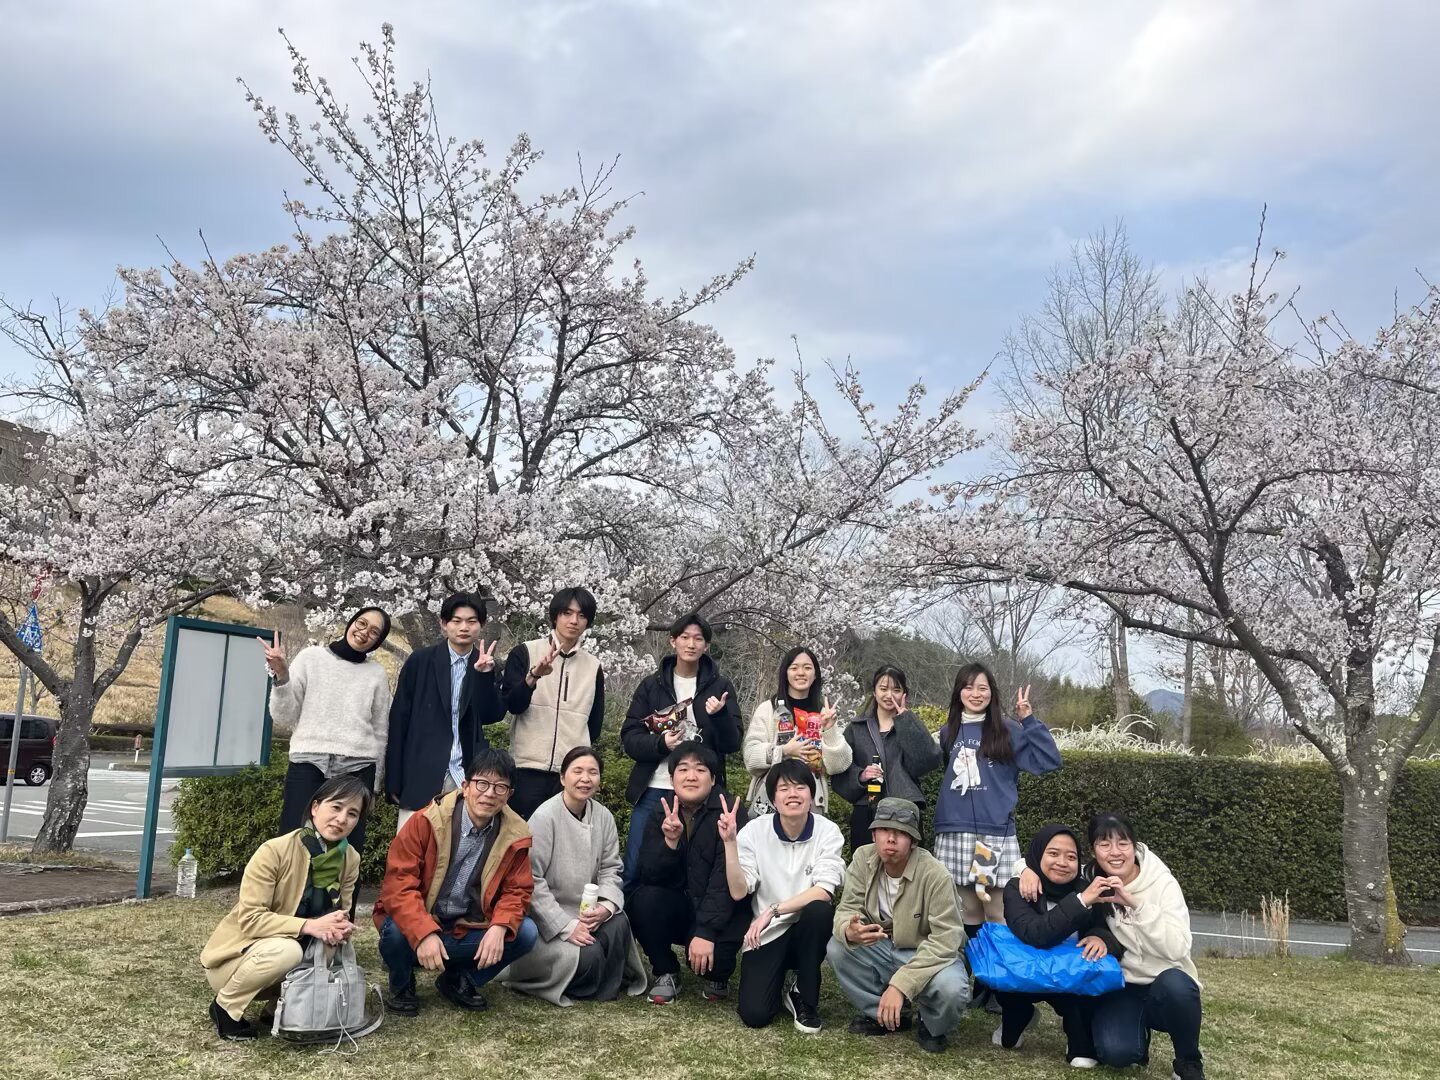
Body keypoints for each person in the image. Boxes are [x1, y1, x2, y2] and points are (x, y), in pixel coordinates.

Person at [200, 774, 370, 1040]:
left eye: (352, 813)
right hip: (238, 961)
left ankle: (279, 1008)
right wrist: (309, 925)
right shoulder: (274, 851)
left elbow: (342, 911)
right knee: (288, 950)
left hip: (287, 958)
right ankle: (225, 1007)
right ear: (315, 807)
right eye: (336, 807)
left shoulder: (350, 858)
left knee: (328, 942)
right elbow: (251, 919)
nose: (341, 819)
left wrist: (341, 926)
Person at [373, 747, 538, 1014]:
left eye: (500, 787)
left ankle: (460, 980)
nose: (489, 793)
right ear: (465, 786)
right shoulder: (425, 821)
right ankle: (402, 984)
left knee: (526, 933)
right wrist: (424, 932)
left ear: (509, 795)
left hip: (468, 924)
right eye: (482, 783)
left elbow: (517, 890)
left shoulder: (515, 834)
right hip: (424, 918)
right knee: (395, 932)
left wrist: (500, 926)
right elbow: (399, 885)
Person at [932, 662, 1060, 985]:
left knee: (996, 911)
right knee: (967, 910)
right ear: (958, 692)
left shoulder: (1007, 729)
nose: (975, 694)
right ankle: (974, 978)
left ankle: (997, 984)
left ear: (992, 693)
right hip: (954, 830)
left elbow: (1049, 761)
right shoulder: (948, 731)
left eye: (983, 688)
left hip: (994, 834)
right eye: (968, 687)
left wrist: (1028, 719)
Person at [501, 748, 646, 1005]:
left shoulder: (603, 816)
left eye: (593, 772)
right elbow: (531, 879)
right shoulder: (545, 817)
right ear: (562, 777)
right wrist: (565, 927)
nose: (585, 779)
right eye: (577, 771)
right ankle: (594, 973)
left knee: (619, 923)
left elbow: (611, 868)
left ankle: (599, 976)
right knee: (589, 957)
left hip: (589, 912)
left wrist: (605, 907)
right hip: (551, 917)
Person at [826, 798, 969, 1053]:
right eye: (884, 830)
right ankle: (886, 1015)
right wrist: (850, 928)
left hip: (925, 950)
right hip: (882, 944)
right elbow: (847, 908)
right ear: (874, 835)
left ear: (913, 842)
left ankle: (932, 1024)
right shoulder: (863, 858)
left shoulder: (935, 874)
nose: (891, 839)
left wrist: (900, 984)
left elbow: (947, 939)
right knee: (838, 948)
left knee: (952, 987)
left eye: (901, 833)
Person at [620, 611, 742, 889]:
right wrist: (661, 744)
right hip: (655, 787)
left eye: (698, 639)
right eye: (685, 637)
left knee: (697, 871)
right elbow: (630, 738)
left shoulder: (720, 687)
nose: (691, 644)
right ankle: (627, 916)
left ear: (706, 646)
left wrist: (720, 716)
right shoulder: (652, 685)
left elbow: (733, 743)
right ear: (672, 641)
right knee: (636, 866)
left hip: (701, 793)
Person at [723, 758, 845, 1032]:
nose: (793, 794)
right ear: (773, 799)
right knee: (755, 1014)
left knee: (819, 911)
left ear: (811, 795)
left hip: (804, 928)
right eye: (784, 788)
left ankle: (803, 993)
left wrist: (773, 909)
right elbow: (739, 891)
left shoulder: (827, 831)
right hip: (768, 933)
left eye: (800, 787)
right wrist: (730, 843)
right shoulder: (755, 830)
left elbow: (824, 890)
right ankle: (777, 980)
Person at [1082, 813, 1206, 1080]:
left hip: (1166, 982)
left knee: (1177, 986)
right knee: (1116, 1054)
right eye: (1104, 844)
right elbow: (1051, 867)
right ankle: (1136, 1038)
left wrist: (1135, 904)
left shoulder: (1162, 883)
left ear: (1135, 846)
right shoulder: (1092, 880)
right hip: (1124, 985)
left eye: (1123, 843)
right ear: (1093, 850)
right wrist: (1026, 871)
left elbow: (1178, 948)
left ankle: (1188, 1060)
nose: (1115, 852)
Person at [627, 741, 750, 1005]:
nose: (691, 776)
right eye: (683, 769)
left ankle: (718, 974)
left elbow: (724, 878)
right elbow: (648, 874)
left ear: (713, 778)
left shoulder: (729, 812)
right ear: (672, 778)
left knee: (714, 965)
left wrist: (706, 931)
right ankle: (666, 970)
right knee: (643, 898)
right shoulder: (661, 810)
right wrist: (669, 844)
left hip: (721, 909)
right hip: (680, 905)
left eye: (700, 770)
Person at [998, 823, 1126, 1068]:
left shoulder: (1086, 889)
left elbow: (1107, 929)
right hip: (1025, 974)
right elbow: (1035, 934)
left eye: (1071, 857)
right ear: (1038, 855)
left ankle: (1077, 1034)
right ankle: (1020, 1017)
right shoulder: (1018, 887)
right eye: (1053, 853)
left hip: (1070, 978)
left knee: (1083, 1057)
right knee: (1008, 1042)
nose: (1062, 862)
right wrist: (1080, 902)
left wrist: (1100, 938)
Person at [266, 608, 392, 857]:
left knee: (348, 848)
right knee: (293, 840)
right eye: (361, 623)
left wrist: (375, 784)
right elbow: (284, 716)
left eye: (374, 632)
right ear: (351, 622)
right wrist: (282, 676)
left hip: (358, 765)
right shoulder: (310, 657)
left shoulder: (376, 673)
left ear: (378, 641)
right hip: (309, 759)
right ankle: (292, 886)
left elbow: (380, 731)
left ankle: (343, 886)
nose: (364, 632)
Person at [385, 592, 505, 829]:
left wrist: (483, 676)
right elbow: (399, 719)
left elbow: (491, 715)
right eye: (456, 620)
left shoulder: (487, 664)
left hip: (466, 774)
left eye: (471, 621)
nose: (464, 627)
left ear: (481, 626)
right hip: (422, 770)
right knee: (411, 846)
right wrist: (394, 780)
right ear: (443, 624)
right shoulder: (420, 661)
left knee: (459, 848)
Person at [501, 587, 606, 818]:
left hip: (570, 774)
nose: (573, 621)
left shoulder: (593, 666)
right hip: (526, 767)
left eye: (581, 615)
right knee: (522, 835)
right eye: (567, 613)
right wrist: (533, 677)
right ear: (555, 615)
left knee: (567, 835)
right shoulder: (525, 652)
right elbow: (513, 705)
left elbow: (595, 723)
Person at [832, 666, 943, 851]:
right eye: (883, 689)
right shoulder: (856, 728)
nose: (889, 695)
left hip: (904, 810)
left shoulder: (910, 724)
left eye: (896, 689)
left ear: (904, 694)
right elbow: (839, 772)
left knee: (907, 867)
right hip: (866, 810)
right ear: (874, 692)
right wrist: (861, 776)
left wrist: (906, 721)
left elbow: (928, 761)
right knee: (866, 864)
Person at [741, 646, 851, 815]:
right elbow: (750, 756)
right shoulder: (768, 709)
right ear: (785, 673)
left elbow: (838, 766)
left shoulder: (824, 714)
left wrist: (829, 730)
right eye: (794, 668)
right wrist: (784, 751)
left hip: (811, 801)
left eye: (807, 668)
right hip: (771, 798)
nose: (801, 673)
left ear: (815, 675)